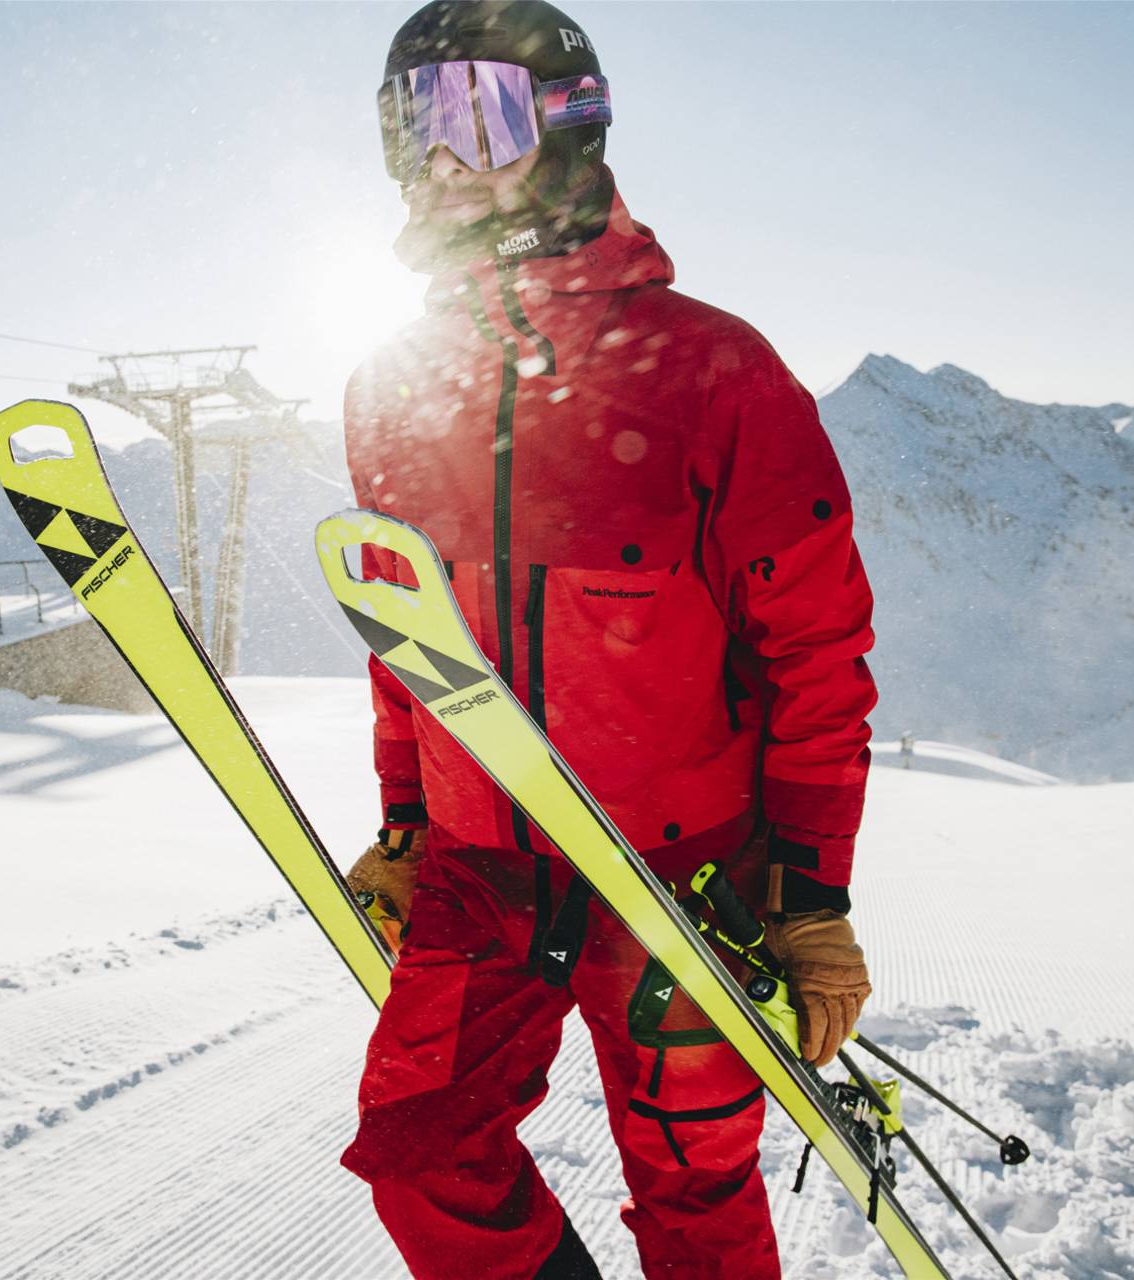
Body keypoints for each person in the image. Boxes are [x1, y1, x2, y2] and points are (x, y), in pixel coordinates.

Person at [339, 4, 879, 1277]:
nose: (443, 158)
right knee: (421, 1154)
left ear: (571, 123)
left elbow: (815, 653)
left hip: (681, 879)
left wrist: (810, 897)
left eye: (479, 113)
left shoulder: (712, 370)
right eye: (413, 124)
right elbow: (401, 639)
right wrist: (410, 823)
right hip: (482, 871)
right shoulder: (388, 383)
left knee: (694, 1196)